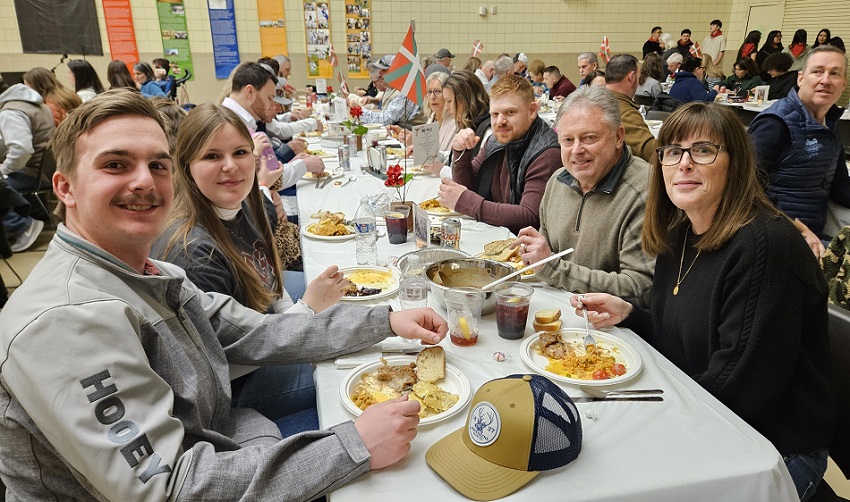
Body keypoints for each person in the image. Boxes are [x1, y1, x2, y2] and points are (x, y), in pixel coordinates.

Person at [0, 89, 449, 500]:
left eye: (157, 164)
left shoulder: (153, 273)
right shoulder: (66, 320)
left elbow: (261, 333)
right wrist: (352, 446)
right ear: (65, 188)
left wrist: (384, 322)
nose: (144, 181)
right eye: (115, 164)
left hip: (216, 433)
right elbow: (168, 489)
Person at [573, 101, 834, 502]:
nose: (684, 164)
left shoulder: (765, 246)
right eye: (673, 152)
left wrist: (641, 425)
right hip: (708, 412)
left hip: (773, 451)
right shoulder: (680, 233)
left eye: (704, 150)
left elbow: (740, 388)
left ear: (737, 163)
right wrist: (633, 316)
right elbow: (683, 336)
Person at [152, 103, 345, 423]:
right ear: (186, 166)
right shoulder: (194, 255)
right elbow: (221, 361)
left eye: (240, 153)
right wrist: (305, 313)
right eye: (212, 156)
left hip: (263, 331)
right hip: (229, 386)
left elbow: (271, 282)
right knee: (338, 375)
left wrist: (291, 316)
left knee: (345, 317)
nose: (230, 167)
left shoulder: (248, 205)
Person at [514, 86, 654, 307]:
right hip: (558, 311)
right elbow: (546, 261)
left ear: (618, 137)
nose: (576, 150)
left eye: (589, 138)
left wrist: (555, 269)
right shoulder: (557, 182)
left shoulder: (644, 192)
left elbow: (642, 288)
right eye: (568, 140)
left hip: (612, 331)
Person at [748, 46, 850, 255]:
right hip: (774, 238)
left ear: (844, 83)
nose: (825, 80)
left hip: (815, 237)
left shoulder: (830, 124)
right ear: (801, 78)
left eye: (835, 73)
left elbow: (839, 186)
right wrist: (796, 228)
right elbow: (743, 188)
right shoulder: (775, 124)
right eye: (817, 71)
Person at [439, 75, 560, 234]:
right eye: (495, 114)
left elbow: (529, 216)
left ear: (532, 110)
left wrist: (467, 202)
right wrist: (461, 153)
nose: (500, 121)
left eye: (510, 112)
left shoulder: (548, 153)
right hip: (496, 236)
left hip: (521, 250)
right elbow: (469, 187)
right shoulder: (495, 139)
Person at [222, 62, 325, 188]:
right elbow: (270, 182)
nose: (272, 105)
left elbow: (268, 174)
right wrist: (303, 165)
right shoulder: (231, 125)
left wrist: (293, 165)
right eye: (269, 98)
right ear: (250, 92)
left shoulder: (239, 120)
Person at [0, 82, 53, 251]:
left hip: (32, 174)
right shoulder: (31, 101)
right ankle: (36, 212)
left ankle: (21, 226)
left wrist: (4, 169)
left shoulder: (10, 112)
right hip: (46, 169)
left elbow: (22, 149)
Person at [419, 70, 490, 179]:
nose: (447, 107)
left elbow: (474, 177)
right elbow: (455, 158)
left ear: (464, 100)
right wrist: (431, 155)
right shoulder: (469, 123)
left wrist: (441, 169)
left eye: (449, 101)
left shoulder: (486, 133)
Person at [604, 54, 656, 163]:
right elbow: (651, 152)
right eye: (639, 75)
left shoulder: (595, 100)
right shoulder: (624, 112)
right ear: (632, 77)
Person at [358, 55, 426, 128]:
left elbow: (386, 120)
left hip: (410, 136)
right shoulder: (392, 88)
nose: (380, 74)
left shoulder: (405, 91)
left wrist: (358, 111)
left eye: (384, 71)